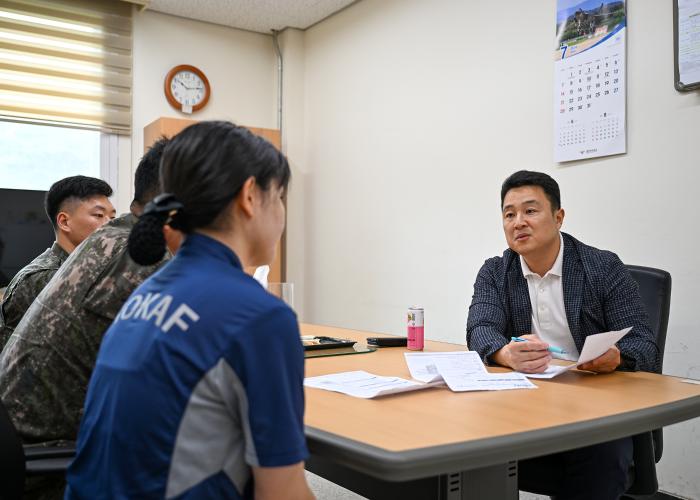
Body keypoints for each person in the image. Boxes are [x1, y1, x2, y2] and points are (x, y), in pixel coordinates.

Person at [65, 121, 313, 499]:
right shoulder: (260, 316)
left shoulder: (145, 294)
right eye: (279, 197)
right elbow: (283, 493)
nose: (282, 214)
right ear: (249, 196)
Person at [466, 170, 659, 500]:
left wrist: (616, 356)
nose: (518, 222)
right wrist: (504, 354)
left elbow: (644, 342)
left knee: (602, 454)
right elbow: (480, 329)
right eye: (509, 214)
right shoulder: (496, 271)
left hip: (595, 407)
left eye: (530, 210)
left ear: (558, 217)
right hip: (525, 404)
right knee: (463, 443)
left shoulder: (602, 267)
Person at [0, 175, 115, 346]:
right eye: (98, 215)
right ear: (64, 222)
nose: (109, 225)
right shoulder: (44, 277)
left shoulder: (87, 269)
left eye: (112, 218)